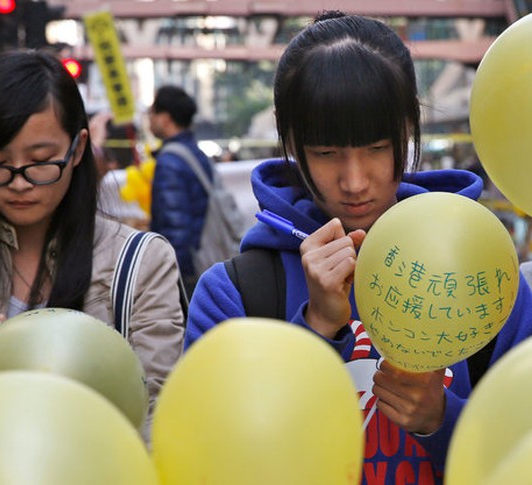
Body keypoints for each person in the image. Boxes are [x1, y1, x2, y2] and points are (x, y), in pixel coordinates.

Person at [185, 12, 532, 484]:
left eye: (376, 148)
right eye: (326, 154)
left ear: (408, 129)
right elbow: (205, 458)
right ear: (291, 143)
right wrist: (317, 328)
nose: (354, 181)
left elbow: (519, 447)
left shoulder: (485, 277)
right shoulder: (236, 292)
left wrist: (441, 419)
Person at [0, 50, 186, 438]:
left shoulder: (141, 263)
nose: (18, 182)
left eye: (40, 160)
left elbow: (153, 421)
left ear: (78, 149)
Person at [148, 85, 214, 296]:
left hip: (187, 271)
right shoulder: (195, 152)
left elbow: (175, 227)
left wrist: (172, 277)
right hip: (204, 259)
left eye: (152, 112)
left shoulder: (169, 161)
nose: (149, 118)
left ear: (164, 118)